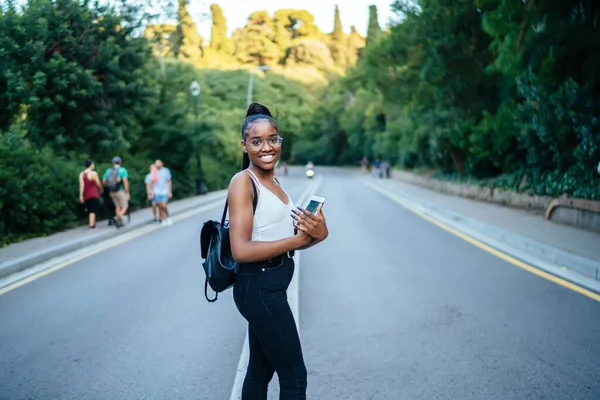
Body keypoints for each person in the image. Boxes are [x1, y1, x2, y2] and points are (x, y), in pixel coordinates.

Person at [228, 102, 329, 399]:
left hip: (270, 286)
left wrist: (319, 234)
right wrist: (297, 243)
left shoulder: (274, 181)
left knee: (260, 373)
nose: (267, 147)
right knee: (294, 376)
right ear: (244, 146)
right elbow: (241, 250)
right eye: (256, 142)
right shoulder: (242, 183)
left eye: (273, 139)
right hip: (258, 287)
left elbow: (288, 237)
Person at [102, 156, 129, 227]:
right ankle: (118, 218)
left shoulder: (108, 171)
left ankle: (119, 222)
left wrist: (110, 185)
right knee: (125, 206)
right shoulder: (122, 170)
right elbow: (125, 182)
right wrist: (127, 193)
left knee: (117, 206)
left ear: (113, 163)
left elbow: (104, 182)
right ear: (120, 162)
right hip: (120, 190)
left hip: (112, 191)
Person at [79, 159, 103, 229]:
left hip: (86, 194)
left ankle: (92, 222)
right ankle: (92, 224)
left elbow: (81, 185)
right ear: (91, 165)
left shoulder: (82, 174)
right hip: (94, 193)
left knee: (89, 208)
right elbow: (98, 183)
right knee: (93, 208)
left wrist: (81, 195)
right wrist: (101, 189)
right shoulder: (93, 173)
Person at [152, 159, 172, 226]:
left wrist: (170, 191)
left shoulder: (165, 171)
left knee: (163, 205)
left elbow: (169, 181)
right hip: (157, 191)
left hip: (164, 191)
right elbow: (151, 182)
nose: (157, 164)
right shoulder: (154, 171)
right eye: (156, 163)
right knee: (160, 206)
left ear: (161, 164)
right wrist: (151, 192)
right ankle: (163, 219)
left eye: (158, 163)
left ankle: (168, 216)